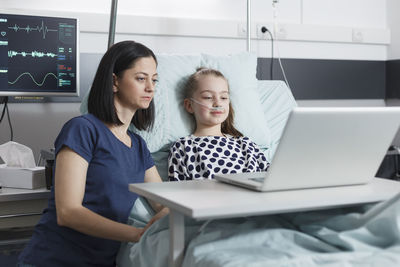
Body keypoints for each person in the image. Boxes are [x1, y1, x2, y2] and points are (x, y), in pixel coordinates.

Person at [18, 40, 167, 267]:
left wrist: (168, 217)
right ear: (115, 81)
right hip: (53, 260)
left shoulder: (138, 146)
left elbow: (163, 202)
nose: (150, 88)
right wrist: (137, 234)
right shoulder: (83, 130)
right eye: (141, 78)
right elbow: (68, 212)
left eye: (154, 80)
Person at [168, 68, 269, 181]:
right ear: (189, 106)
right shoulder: (183, 147)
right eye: (208, 97)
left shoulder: (246, 144)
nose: (218, 103)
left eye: (223, 97)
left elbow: (274, 178)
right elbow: (177, 190)